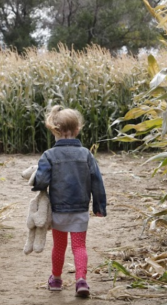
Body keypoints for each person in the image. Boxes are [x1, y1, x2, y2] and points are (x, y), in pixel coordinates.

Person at [32, 105, 107, 298]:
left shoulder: (49, 155)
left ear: (54, 130)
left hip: (58, 210)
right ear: (77, 130)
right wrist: (99, 207)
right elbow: (97, 181)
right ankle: (81, 281)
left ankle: (56, 280)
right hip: (80, 209)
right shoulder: (86, 154)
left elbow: (41, 181)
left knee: (59, 246)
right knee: (79, 246)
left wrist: (36, 182)